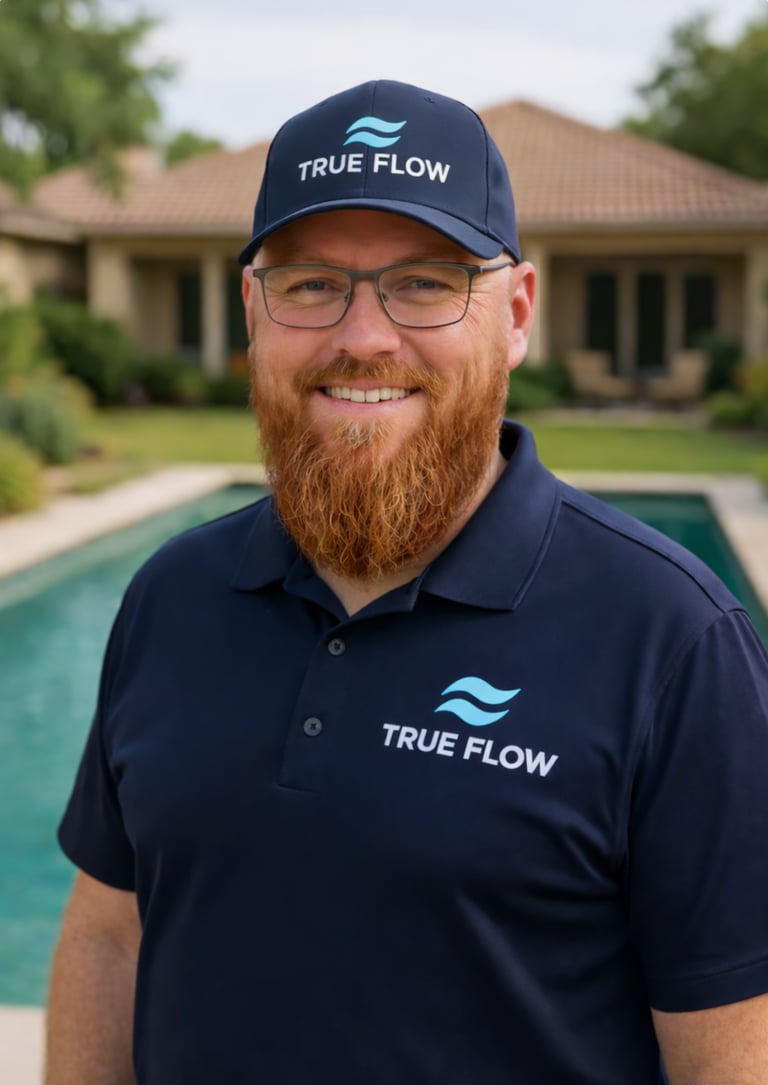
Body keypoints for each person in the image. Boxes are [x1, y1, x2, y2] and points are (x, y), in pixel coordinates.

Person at [46, 80, 768, 1085]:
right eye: (309, 285)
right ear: (253, 311)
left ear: (514, 313)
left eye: (426, 282)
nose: (364, 337)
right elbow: (110, 932)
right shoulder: (172, 594)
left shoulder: (671, 640)